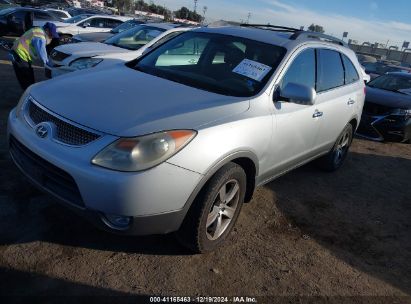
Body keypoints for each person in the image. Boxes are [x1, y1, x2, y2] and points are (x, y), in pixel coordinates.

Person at [9, 22, 59, 90]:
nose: (51, 37)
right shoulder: (40, 37)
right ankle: (28, 95)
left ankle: (28, 91)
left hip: (18, 53)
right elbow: (42, 54)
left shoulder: (37, 29)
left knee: (27, 77)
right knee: (27, 79)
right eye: (51, 34)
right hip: (20, 56)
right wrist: (50, 65)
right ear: (47, 30)